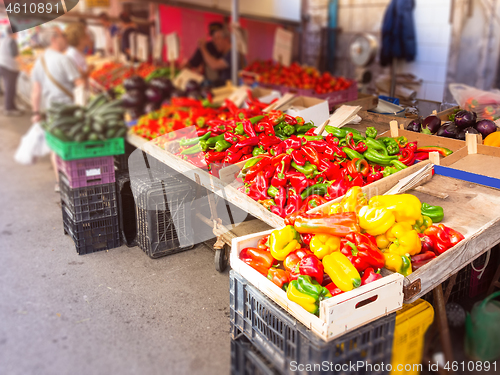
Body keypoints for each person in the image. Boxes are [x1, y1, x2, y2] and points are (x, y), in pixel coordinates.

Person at [31, 26, 84, 190]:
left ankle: (60, 182)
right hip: (68, 111)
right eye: (62, 36)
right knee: (72, 144)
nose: (65, 39)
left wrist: (36, 113)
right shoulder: (63, 59)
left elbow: (36, 90)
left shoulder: (39, 61)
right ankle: (75, 182)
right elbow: (80, 84)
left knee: (56, 146)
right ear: (54, 39)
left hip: (51, 111)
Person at [0, 28, 22, 116]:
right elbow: (15, 56)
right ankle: (9, 108)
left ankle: (11, 106)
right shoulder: (12, 41)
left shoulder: (3, 40)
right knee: (10, 88)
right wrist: (24, 66)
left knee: (9, 87)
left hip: (3, 65)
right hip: (9, 67)